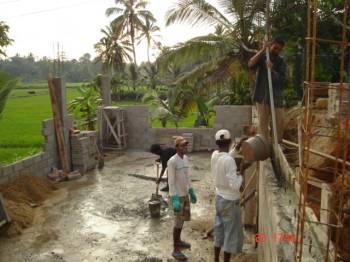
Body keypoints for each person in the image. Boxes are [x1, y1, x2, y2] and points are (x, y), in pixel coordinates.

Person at [211, 129, 243, 262]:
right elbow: (235, 185)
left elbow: (225, 158)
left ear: (217, 142)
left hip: (219, 198)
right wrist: (241, 172)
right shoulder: (229, 161)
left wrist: (236, 149)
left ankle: (216, 259)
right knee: (230, 234)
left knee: (219, 230)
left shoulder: (214, 155)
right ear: (229, 141)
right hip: (229, 201)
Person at [248, 37, 287, 143]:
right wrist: (262, 49)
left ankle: (277, 147)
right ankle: (264, 147)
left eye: (279, 49)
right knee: (263, 125)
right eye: (275, 48)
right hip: (262, 97)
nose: (277, 51)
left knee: (279, 122)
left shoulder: (281, 61)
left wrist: (272, 69)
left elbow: (282, 80)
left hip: (276, 99)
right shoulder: (263, 56)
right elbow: (250, 64)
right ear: (271, 45)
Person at [168, 136, 197, 261]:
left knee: (183, 220)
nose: (185, 147)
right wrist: (174, 198)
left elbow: (187, 176)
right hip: (177, 196)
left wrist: (191, 190)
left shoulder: (185, 159)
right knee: (177, 222)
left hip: (185, 195)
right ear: (176, 147)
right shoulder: (172, 161)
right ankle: (175, 249)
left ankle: (179, 241)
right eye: (182, 145)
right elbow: (171, 180)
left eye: (186, 145)